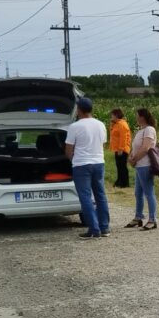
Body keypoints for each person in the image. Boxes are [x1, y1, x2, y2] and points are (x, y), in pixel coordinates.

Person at [65, 97, 111, 239]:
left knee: (85, 197)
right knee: (100, 195)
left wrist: (74, 160)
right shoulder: (101, 125)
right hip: (99, 163)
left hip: (81, 165)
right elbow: (102, 144)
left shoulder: (75, 127)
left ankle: (93, 229)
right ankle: (105, 228)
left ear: (79, 110)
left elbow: (68, 149)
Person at [126, 108, 159, 231]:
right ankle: (138, 217)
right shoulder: (140, 131)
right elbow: (134, 147)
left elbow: (146, 148)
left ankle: (152, 220)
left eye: (137, 115)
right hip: (139, 166)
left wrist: (134, 160)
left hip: (145, 165)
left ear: (142, 117)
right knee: (138, 193)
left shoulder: (149, 130)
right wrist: (131, 157)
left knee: (149, 193)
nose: (136, 118)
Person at [109, 108, 131, 188]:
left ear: (116, 115)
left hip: (122, 149)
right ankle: (119, 181)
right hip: (117, 149)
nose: (111, 116)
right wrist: (112, 124)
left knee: (122, 166)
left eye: (112, 115)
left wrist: (121, 149)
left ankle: (124, 183)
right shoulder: (116, 124)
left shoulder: (122, 124)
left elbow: (123, 138)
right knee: (119, 165)